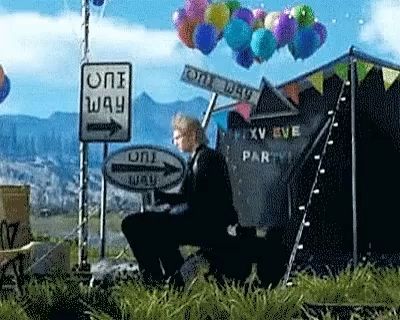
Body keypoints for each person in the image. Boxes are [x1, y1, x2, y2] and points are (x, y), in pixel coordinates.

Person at [121, 113, 238, 286]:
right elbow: (190, 197)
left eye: (177, 137)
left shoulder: (206, 159)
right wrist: (162, 198)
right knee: (156, 229)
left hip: (204, 225)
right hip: (201, 222)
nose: (174, 142)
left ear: (191, 135)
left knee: (132, 224)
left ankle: (154, 280)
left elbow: (198, 200)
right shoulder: (200, 158)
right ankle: (171, 276)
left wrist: (166, 204)